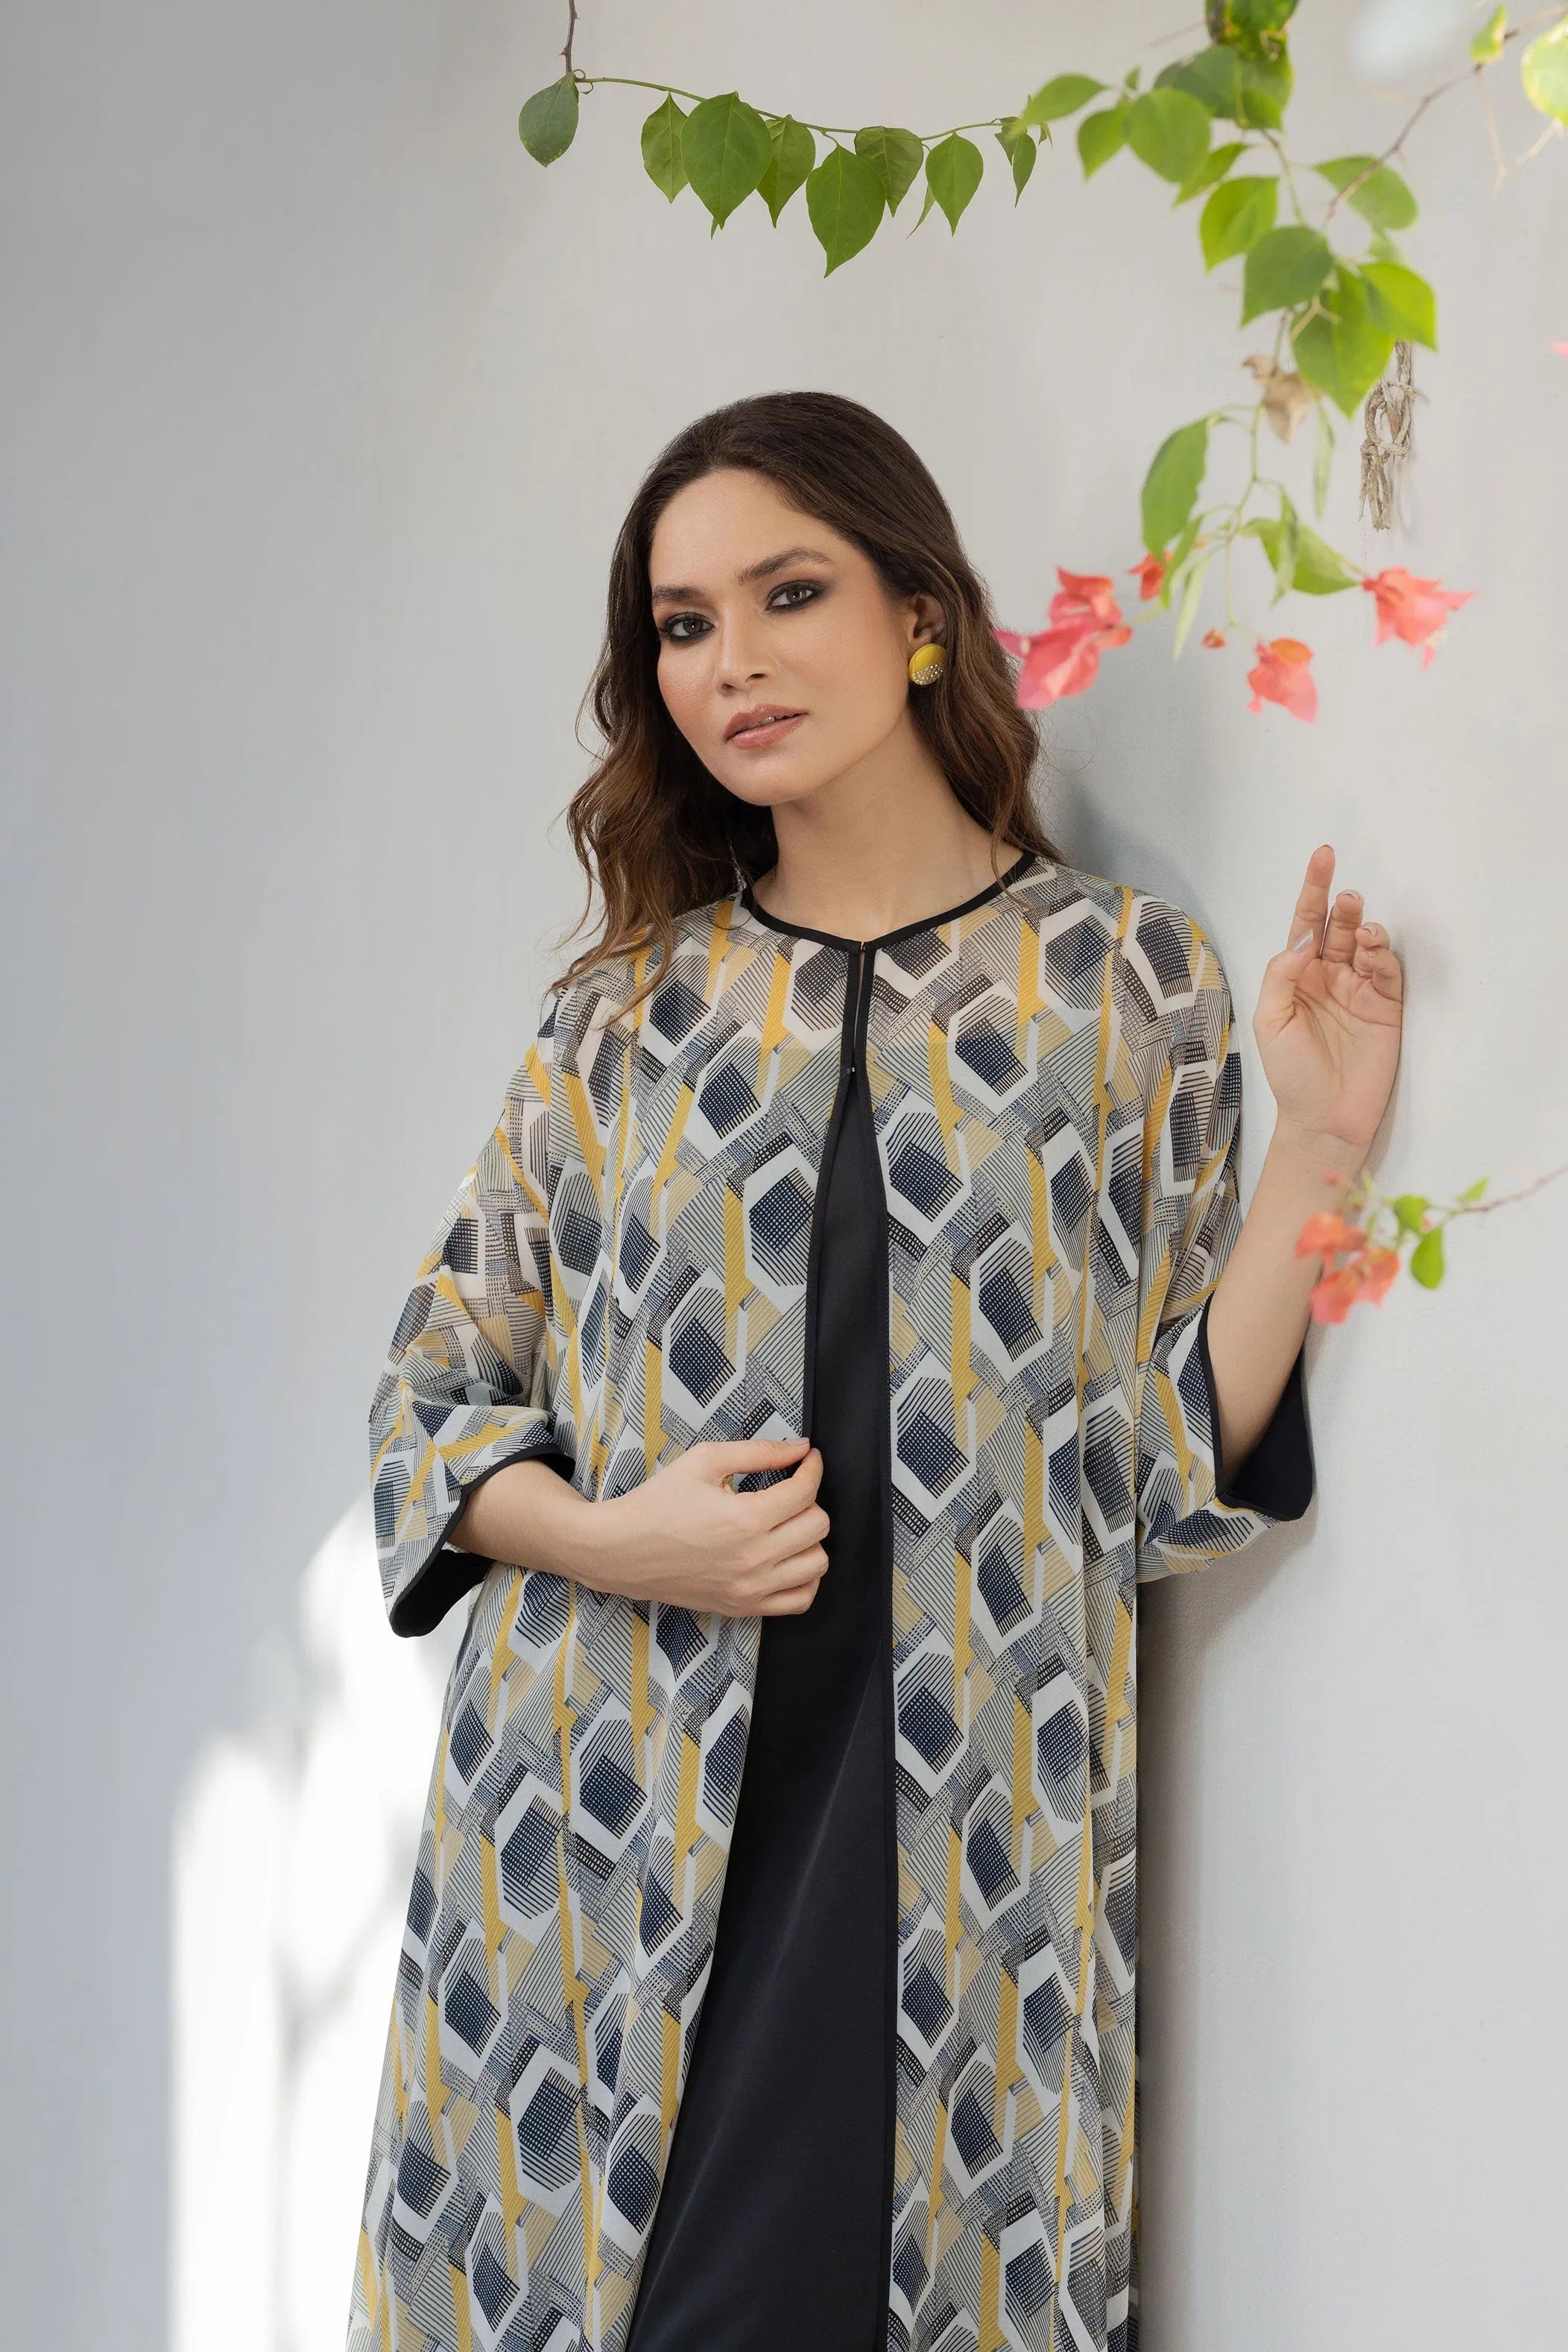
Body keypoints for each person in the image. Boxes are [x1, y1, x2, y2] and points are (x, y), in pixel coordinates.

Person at [346, 391, 1403, 2352]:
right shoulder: (622, 1023)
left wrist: (1321, 1151)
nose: (729, 662)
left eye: (787, 594)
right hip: (597, 1863)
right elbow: (426, 1406)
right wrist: (623, 1538)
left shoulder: (1126, 985)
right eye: (682, 625)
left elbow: (1152, 1477)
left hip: (961, 1887)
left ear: (920, 614)